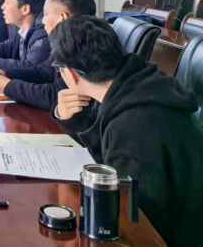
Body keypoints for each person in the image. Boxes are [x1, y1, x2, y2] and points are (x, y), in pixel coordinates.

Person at [51, 16, 203, 247]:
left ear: (70, 74)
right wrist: (70, 116)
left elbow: (136, 224)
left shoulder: (134, 125)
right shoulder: (131, 82)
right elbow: (101, 146)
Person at [0, 0, 96, 110]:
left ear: (63, 17)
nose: (43, 21)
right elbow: (44, 71)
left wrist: (8, 86)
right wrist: (6, 73)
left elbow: (56, 95)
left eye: (46, 14)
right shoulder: (67, 39)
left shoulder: (83, 45)